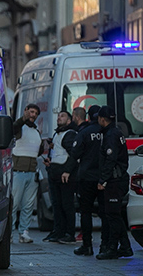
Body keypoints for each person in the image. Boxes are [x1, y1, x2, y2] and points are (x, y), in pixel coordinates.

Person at [95, 106, 133, 260]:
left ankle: (113, 248)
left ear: (102, 119)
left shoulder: (111, 135)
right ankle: (125, 247)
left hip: (114, 180)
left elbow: (110, 159)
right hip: (117, 178)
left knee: (112, 215)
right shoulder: (115, 132)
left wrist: (103, 180)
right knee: (114, 214)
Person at [71, 106, 105, 256]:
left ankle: (87, 245)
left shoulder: (84, 132)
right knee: (106, 213)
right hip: (104, 177)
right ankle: (106, 245)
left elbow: (75, 152)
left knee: (86, 212)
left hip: (86, 177)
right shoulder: (108, 132)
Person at [43, 110, 78, 244]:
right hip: (55, 173)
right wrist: (50, 163)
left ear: (69, 121)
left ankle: (69, 233)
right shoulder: (58, 134)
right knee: (56, 205)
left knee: (67, 204)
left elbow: (73, 155)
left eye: (62, 116)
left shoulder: (70, 135)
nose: (59, 118)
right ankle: (58, 232)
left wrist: (67, 171)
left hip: (64, 175)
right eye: (58, 116)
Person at [11, 103, 44, 244]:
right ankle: (10, 232)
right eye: (31, 112)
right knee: (14, 204)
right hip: (18, 172)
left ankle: (24, 232)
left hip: (32, 173)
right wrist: (22, 119)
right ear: (25, 111)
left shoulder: (36, 131)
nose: (33, 115)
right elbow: (13, 128)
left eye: (36, 113)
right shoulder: (19, 127)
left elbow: (38, 151)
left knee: (28, 205)